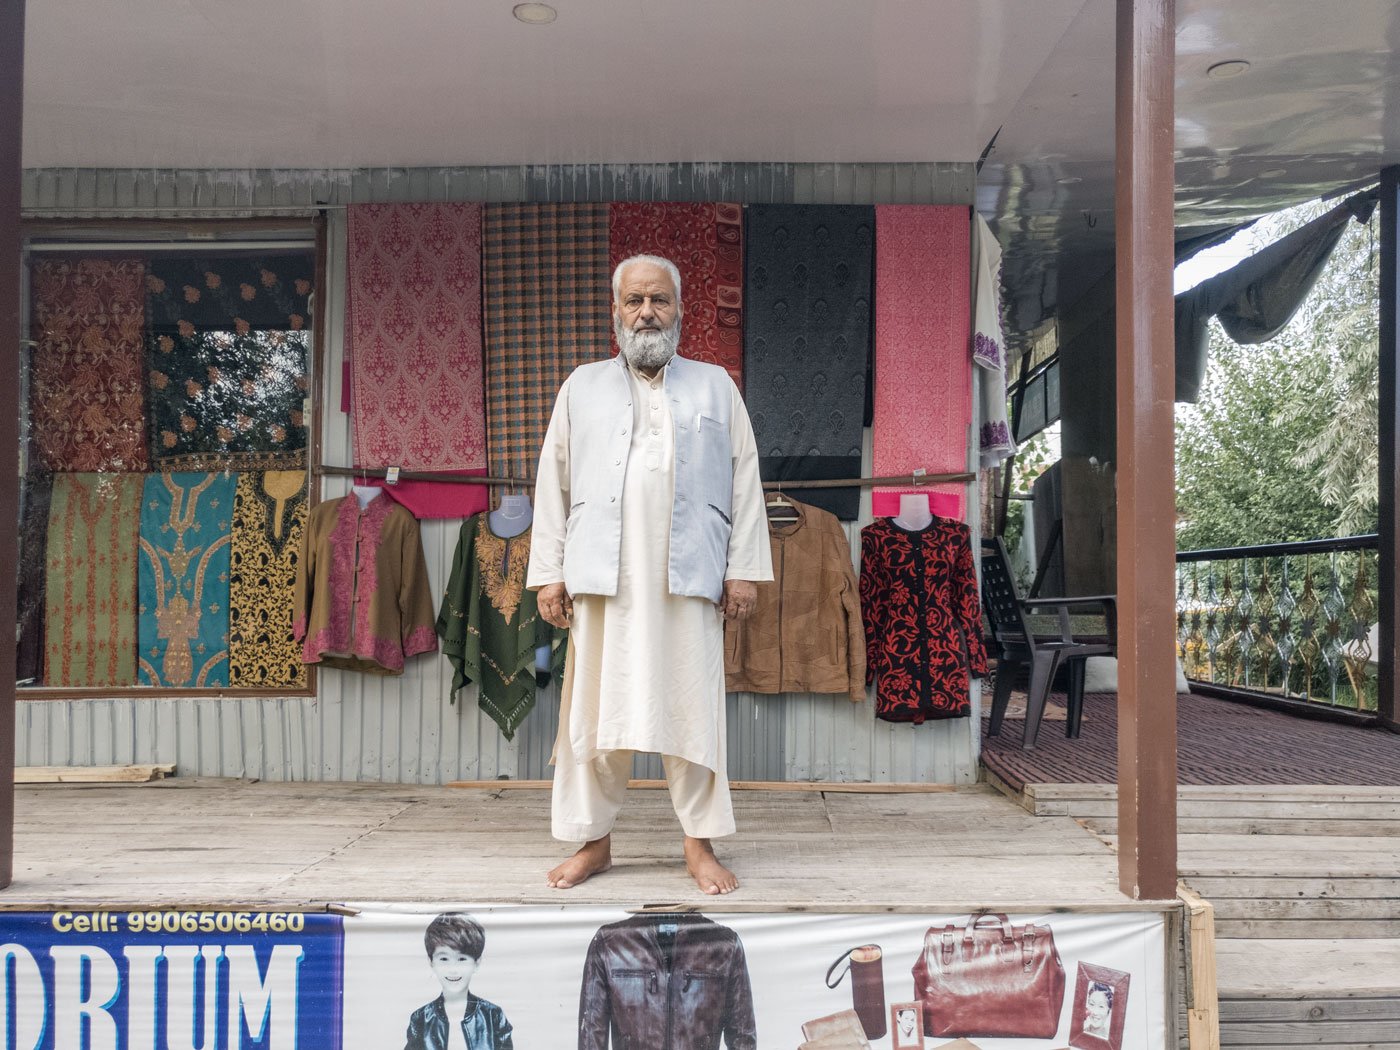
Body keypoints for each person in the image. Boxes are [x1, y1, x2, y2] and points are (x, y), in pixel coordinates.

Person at [527, 253, 772, 895]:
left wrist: (742, 569)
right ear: (615, 312)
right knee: (594, 715)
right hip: (603, 578)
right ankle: (594, 843)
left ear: (681, 311)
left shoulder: (717, 385)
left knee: (691, 709)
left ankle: (699, 846)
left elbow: (745, 480)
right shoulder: (581, 386)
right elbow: (552, 482)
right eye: (634, 301)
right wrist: (549, 572)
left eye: (659, 300)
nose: (646, 313)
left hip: (688, 574)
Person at [403, 913, 513, 1050]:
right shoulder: (420, 1019)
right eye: (444, 959)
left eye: (462, 959)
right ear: (431, 962)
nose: (453, 970)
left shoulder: (493, 1015)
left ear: (477, 962)